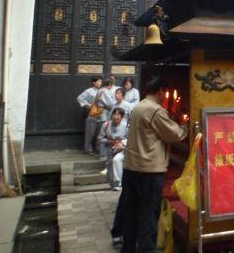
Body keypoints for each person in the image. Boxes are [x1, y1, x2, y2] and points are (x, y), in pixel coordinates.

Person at [121, 76, 188, 253]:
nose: (166, 96)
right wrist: (187, 126)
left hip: (131, 168)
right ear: (160, 91)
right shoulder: (155, 110)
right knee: (149, 214)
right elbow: (174, 134)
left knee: (131, 213)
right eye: (165, 92)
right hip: (148, 170)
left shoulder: (139, 106)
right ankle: (147, 249)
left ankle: (128, 248)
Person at [77, 76, 107, 155]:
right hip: (92, 113)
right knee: (90, 133)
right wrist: (88, 104)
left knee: (100, 133)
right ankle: (88, 149)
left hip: (101, 113)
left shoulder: (103, 90)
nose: (100, 83)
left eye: (101, 81)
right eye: (98, 81)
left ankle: (98, 148)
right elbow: (80, 98)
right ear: (94, 82)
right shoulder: (89, 91)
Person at [100, 107, 128, 189]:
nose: (116, 117)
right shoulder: (106, 125)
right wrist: (109, 142)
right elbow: (100, 138)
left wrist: (121, 143)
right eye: (115, 114)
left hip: (122, 149)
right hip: (110, 149)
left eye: (118, 115)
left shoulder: (126, 126)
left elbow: (130, 138)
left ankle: (119, 183)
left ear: (122, 117)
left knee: (117, 162)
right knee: (110, 169)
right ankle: (113, 185)